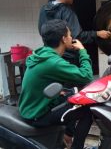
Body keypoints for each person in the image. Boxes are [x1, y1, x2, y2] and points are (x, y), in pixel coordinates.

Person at [18, 19, 94, 149]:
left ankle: (65, 136)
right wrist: (82, 50)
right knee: (88, 111)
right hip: (37, 115)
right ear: (64, 39)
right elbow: (86, 75)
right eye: (70, 35)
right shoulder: (52, 62)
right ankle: (74, 143)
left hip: (31, 107)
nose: (72, 38)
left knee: (74, 94)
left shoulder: (43, 54)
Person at [38, 0, 110, 65]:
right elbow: (77, 36)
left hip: (49, 55)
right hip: (67, 58)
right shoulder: (67, 11)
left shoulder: (44, 9)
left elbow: (42, 31)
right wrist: (97, 33)